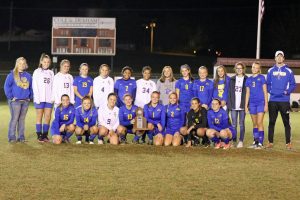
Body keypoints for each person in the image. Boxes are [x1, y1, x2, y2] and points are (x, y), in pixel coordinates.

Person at [266, 51, 296, 150]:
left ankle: (288, 143)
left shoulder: (289, 71)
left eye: (281, 56)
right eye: (277, 56)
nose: (279, 58)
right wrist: (271, 91)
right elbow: (267, 84)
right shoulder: (270, 70)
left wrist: (287, 92)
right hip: (273, 100)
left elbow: (293, 84)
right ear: (275, 58)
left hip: (284, 101)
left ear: (283, 58)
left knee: (286, 123)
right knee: (271, 122)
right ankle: (270, 142)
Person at [4, 57, 32, 143]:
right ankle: (12, 137)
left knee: (22, 120)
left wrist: (29, 97)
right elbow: (6, 87)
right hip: (15, 101)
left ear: (25, 64)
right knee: (14, 119)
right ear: (17, 64)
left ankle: (21, 137)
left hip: (25, 101)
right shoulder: (11, 75)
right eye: (20, 63)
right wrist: (11, 97)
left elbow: (31, 88)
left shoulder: (28, 75)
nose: (22, 65)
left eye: (23, 63)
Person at [245, 62, 268, 149]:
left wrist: (266, 104)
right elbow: (247, 93)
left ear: (259, 69)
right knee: (254, 123)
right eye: (253, 67)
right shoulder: (248, 79)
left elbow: (265, 92)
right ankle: (255, 141)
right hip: (252, 104)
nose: (254, 69)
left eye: (256, 67)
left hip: (260, 103)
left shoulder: (262, 78)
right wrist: (246, 105)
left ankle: (260, 143)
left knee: (259, 122)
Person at [32, 53, 54, 142]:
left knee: (48, 117)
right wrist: (37, 98)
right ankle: (39, 135)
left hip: (49, 98)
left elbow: (53, 86)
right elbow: (35, 85)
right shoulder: (36, 71)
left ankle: (45, 135)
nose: (46, 63)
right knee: (39, 116)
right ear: (41, 62)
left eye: (48, 62)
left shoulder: (51, 72)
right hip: (39, 98)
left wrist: (52, 97)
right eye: (44, 62)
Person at [227, 62, 248, 148]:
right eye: (237, 68)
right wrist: (230, 105)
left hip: (242, 105)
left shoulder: (247, 79)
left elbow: (248, 93)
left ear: (243, 69)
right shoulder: (232, 79)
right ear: (235, 69)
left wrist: (247, 105)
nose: (239, 70)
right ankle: (234, 140)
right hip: (233, 105)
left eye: (241, 68)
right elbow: (229, 93)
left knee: (241, 123)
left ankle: (241, 141)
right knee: (234, 124)